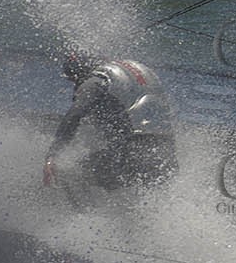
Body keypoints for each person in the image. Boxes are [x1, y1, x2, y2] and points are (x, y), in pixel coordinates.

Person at [43, 53, 177, 192]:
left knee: (70, 174)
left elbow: (75, 115)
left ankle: (85, 213)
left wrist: (52, 156)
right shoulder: (135, 72)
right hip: (167, 155)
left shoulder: (96, 80)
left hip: (131, 155)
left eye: (74, 81)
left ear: (79, 74)